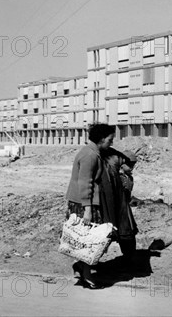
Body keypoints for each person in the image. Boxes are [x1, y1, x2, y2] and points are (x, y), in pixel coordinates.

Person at [65, 123, 115, 289]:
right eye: (110, 139)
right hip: (84, 203)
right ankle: (86, 273)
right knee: (89, 239)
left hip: (82, 201)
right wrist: (87, 209)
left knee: (84, 238)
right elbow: (85, 182)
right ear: (101, 139)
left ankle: (81, 267)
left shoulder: (90, 151)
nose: (111, 143)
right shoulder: (90, 156)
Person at [100, 146, 139, 259]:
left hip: (124, 209)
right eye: (129, 165)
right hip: (116, 209)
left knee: (128, 236)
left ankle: (129, 259)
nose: (132, 168)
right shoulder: (116, 176)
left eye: (133, 165)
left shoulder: (128, 178)